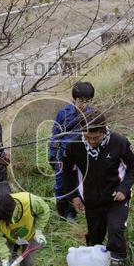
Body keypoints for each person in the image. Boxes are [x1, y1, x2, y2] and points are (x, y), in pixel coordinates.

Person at [60, 110, 134, 266]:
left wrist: (124, 188)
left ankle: (117, 262)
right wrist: (74, 196)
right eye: (88, 137)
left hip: (116, 197)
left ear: (104, 131)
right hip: (91, 199)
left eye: (96, 138)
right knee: (95, 235)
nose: (92, 141)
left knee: (115, 228)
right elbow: (67, 173)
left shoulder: (119, 142)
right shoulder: (74, 146)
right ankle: (93, 263)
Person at [49, 81, 95, 221]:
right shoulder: (63, 113)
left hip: (82, 155)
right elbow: (56, 135)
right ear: (74, 99)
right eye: (80, 100)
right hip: (64, 155)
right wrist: (52, 155)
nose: (83, 104)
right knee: (60, 184)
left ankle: (71, 213)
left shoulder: (93, 114)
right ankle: (61, 211)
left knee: (77, 183)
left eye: (87, 101)